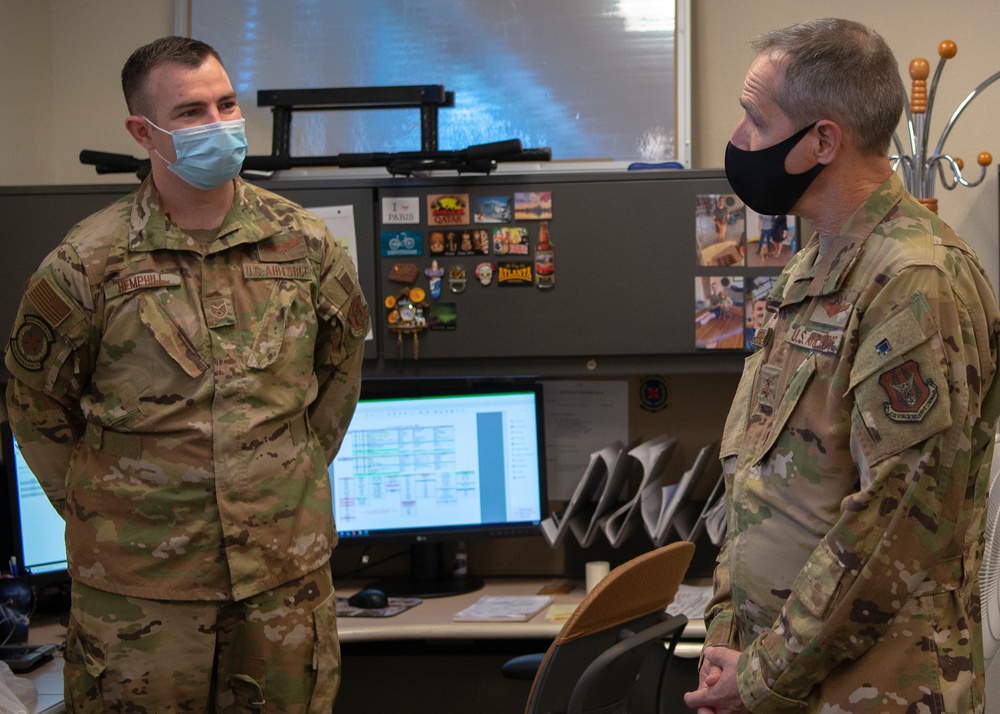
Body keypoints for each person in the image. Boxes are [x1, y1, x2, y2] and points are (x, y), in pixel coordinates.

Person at [5, 36, 369, 712]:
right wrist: (107, 510)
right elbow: (35, 407)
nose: (219, 125)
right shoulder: (87, 264)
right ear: (144, 132)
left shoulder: (305, 244)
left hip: (281, 577)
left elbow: (338, 376)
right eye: (193, 112)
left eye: (226, 104)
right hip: (140, 590)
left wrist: (279, 478)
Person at [685, 18, 1000, 714]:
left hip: (873, 691)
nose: (739, 142)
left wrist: (763, 672)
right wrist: (728, 638)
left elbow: (900, 520)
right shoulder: (811, 271)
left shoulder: (917, 280)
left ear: (823, 141)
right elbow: (754, 477)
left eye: (753, 119)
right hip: (784, 683)